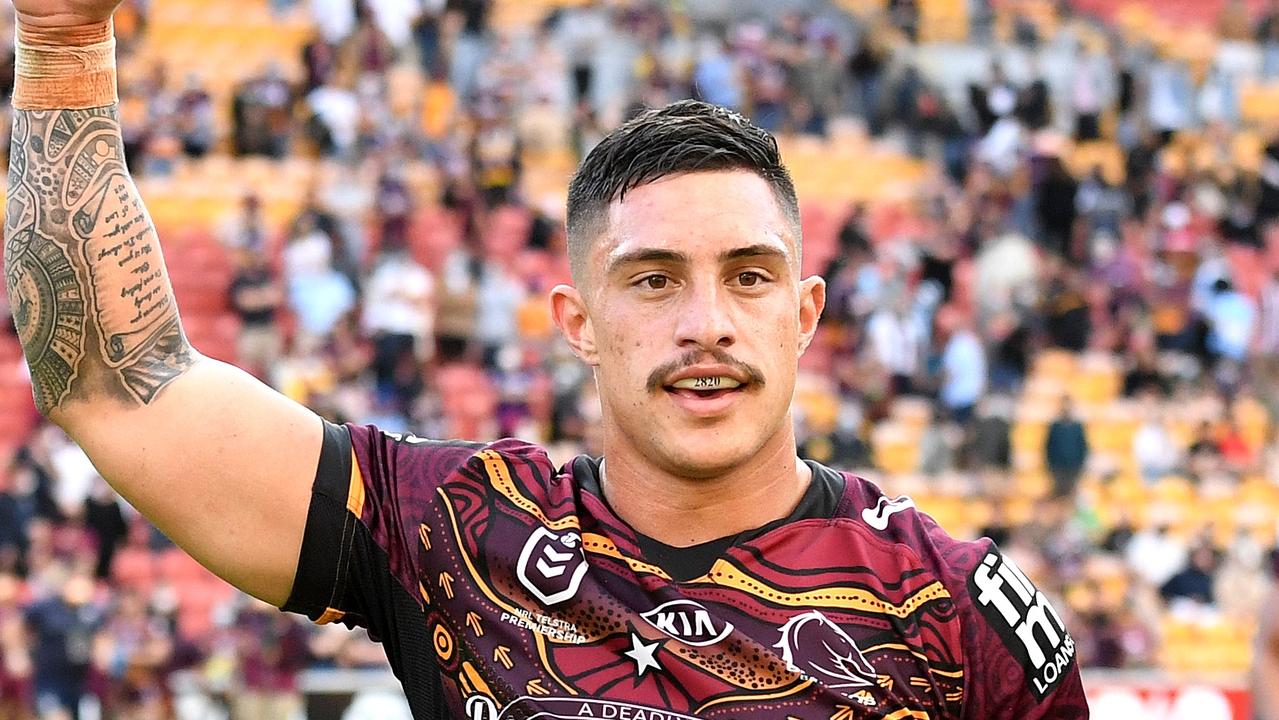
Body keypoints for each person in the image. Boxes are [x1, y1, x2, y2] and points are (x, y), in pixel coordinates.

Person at [1, 3, 1089, 718]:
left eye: (748, 277)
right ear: (575, 319)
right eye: (654, 279)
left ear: (805, 313)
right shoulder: (459, 535)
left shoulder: (953, 611)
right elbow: (111, 377)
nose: (706, 322)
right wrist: (60, 41)